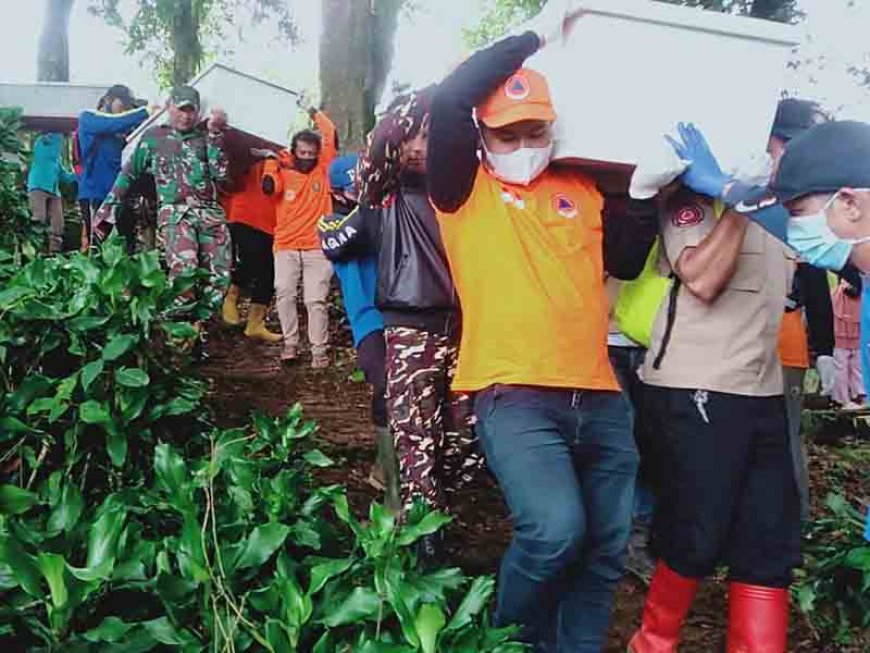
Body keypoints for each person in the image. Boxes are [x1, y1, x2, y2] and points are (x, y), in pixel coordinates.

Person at [427, 9, 678, 649]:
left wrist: (645, 197)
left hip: (599, 395)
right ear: (484, 136)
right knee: (553, 530)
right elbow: (454, 96)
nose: (520, 145)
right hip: (514, 394)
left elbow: (622, 260)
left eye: (532, 130)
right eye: (506, 134)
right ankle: (504, 641)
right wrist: (538, 31)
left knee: (604, 548)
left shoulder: (581, 187)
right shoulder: (464, 192)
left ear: (552, 129)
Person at [628, 122, 800, 652]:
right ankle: (652, 642)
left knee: (769, 545)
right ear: (769, 146)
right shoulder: (693, 200)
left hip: (762, 389)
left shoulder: (789, 209)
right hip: (694, 387)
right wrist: (739, 204)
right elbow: (700, 277)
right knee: (694, 536)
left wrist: (759, 199)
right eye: (791, 149)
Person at [357, 87, 483, 540]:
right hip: (411, 329)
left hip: (468, 330)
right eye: (416, 137)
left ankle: (431, 511)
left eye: (434, 136)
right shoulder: (387, 191)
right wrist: (440, 91)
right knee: (416, 438)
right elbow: (378, 148)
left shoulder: (466, 190)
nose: (422, 147)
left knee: (467, 441)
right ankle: (424, 545)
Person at [93, 86, 231, 331]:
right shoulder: (154, 137)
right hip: (176, 214)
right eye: (181, 110)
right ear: (170, 107)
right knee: (183, 273)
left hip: (210, 213)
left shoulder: (205, 136)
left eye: (191, 111)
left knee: (219, 277)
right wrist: (107, 208)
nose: (186, 116)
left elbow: (221, 175)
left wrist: (216, 135)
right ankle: (176, 334)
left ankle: (202, 332)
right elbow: (129, 173)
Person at [317, 154, 400, 512]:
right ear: (339, 191)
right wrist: (371, 201)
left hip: (406, 314)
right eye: (355, 186)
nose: (362, 191)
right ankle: (394, 495)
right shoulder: (333, 223)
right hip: (369, 320)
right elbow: (343, 241)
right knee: (385, 387)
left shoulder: (392, 213)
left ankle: (384, 469)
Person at [263, 104, 337, 368]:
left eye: (311, 153)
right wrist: (272, 163)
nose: (307, 157)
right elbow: (269, 190)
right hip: (285, 245)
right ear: (293, 151)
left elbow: (330, 132)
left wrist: (312, 110)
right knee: (284, 293)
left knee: (315, 299)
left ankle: (319, 349)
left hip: (317, 246)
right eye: (302, 152)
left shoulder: (323, 168)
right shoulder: (281, 169)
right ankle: (290, 344)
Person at [221, 139, 282, 343]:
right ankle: (230, 299)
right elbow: (228, 177)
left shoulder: (281, 148)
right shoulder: (240, 145)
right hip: (244, 213)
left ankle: (255, 323)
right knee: (250, 260)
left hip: (271, 219)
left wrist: (273, 158)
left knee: (270, 270)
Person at [77, 84, 150, 250]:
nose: (125, 109)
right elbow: (113, 123)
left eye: (129, 106)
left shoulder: (124, 129)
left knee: (127, 243)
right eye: (122, 103)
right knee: (95, 245)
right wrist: (145, 111)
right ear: (108, 100)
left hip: (118, 195)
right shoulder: (88, 118)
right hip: (95, 194)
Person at [27, 132, 77, 253]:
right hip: (38, 187)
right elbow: (46, 149)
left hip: (54, 192)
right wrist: (57, 135)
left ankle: (54, 253)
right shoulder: (42, 143)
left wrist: (79, 175)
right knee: (38, 219)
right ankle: (36, 252)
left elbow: (65, 177)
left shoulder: (56, 161)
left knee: (58, 222)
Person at [831, 278, 864, 407]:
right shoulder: (836, 295)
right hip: (840, 335)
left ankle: (857, 396)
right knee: (843, 366)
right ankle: (845, 399)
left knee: (855, 364)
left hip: (857, 335)